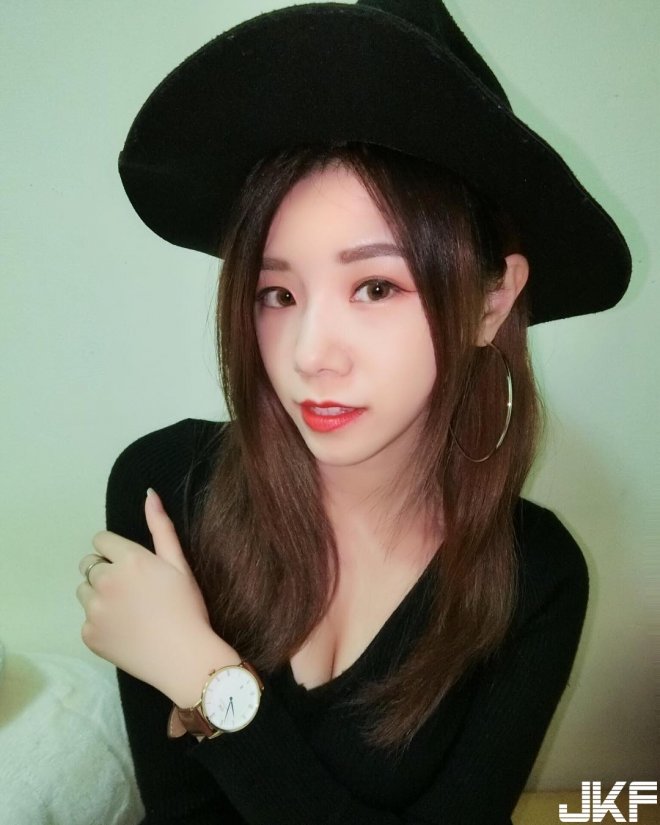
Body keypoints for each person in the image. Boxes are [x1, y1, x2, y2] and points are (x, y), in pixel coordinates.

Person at [75, 2, 631, 823]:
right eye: (277, 292)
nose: (309, 354)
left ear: (491, 301)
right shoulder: (165, 489)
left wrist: (206, 677)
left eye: (375, 286)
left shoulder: (533, 578)